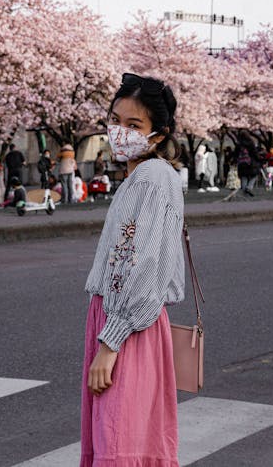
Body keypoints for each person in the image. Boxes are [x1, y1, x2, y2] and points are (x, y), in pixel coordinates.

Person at [81, 72, 184, 466]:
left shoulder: (153, 178)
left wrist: (111, 341)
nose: (119, 132)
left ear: (158, 134)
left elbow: (143, 263)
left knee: (120, 439)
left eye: (134, 125)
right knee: (122, 437)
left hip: (127, 329)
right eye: (116, 120)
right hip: (120, 323)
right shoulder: (139, 177)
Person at [233, 130, 261, 197]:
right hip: (250, 162)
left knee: (243, 176)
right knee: (254, 175)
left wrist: (234, 161)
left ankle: (244, 192)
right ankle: (249, 188)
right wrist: (259, 159)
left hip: (241, 163)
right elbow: (254, 152)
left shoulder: (238, 144)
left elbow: (235, 154)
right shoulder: (251, 143)